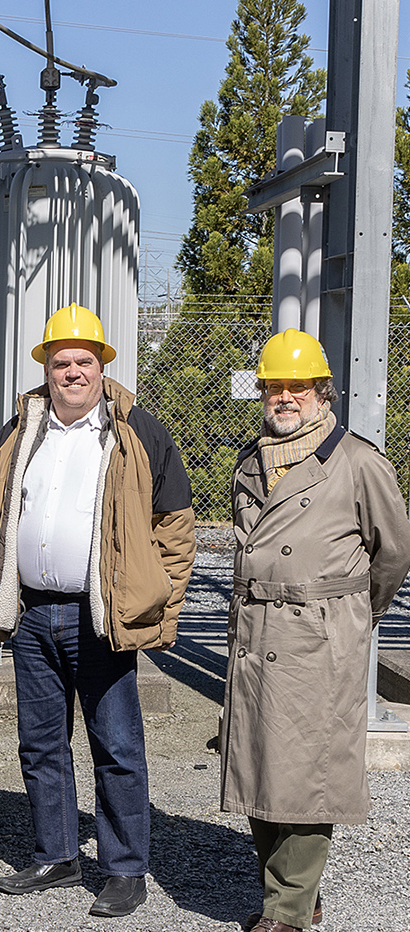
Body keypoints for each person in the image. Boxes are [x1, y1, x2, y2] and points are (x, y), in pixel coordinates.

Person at [0, 304, 192, 918]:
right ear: (45, 368)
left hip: (101, 618)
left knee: (116, 745)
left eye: (83, 362)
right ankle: (57, 854)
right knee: (40, 743)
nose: (72, 372)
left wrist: (163, 609)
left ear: (102, 367)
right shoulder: (19, 434)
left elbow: (175, 529)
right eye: (60, 362)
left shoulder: (137, 433)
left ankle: (124, 867)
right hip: (35, 614)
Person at [220, 330, 410, 932]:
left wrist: (351, 613)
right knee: (257, 767)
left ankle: (289, 912)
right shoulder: (250, 462)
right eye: (274, 386)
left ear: (322, 392)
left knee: (306, 772)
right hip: (256, 632)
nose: (284, 397)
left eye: (296, 386)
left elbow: (394, 554)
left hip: (318, 637)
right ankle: (293, 898)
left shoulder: (357, 462)